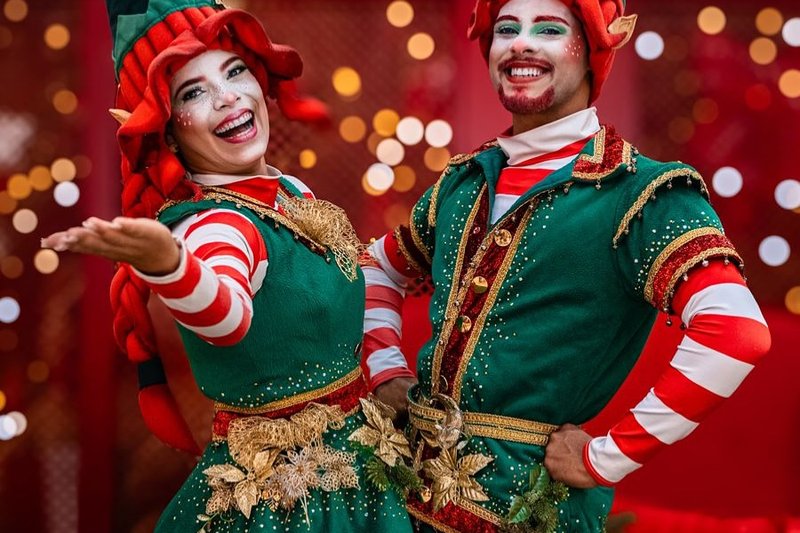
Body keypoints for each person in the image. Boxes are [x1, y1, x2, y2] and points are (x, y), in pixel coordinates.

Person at [360, 0, 771, 531]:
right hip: (401, 496)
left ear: (594, 52)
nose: (521, 43)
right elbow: (378, 267)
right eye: (506, 29)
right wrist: (385, 370)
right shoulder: (463, 181)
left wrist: (608, 456)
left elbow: (736, 332)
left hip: (527, 513)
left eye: (548, 29)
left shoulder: (640, 193)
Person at [41, 1, 412, 531]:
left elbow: (349, 274)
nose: (229, 96)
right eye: (194, 92)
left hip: (360, 462)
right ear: (167, 130)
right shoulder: (219, 224)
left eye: (235, 71)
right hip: (297, 502)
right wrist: (170, 264)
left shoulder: (285, 191)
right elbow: (226, 315)